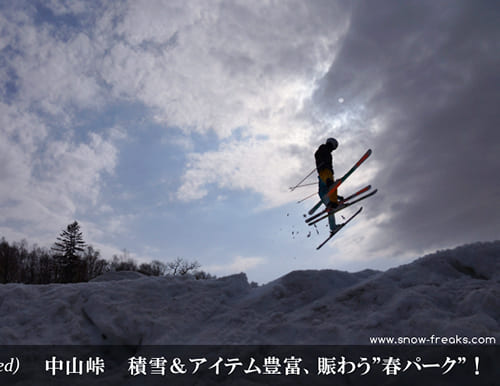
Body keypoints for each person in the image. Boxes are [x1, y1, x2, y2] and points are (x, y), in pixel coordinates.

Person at [314, 138, 343, 233]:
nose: (332, 150)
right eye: (333, 148)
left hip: (322, 180)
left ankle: (333, 227)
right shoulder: (324, 149)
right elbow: (320, 156)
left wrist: (337, 197)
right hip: (326, 173)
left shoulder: (322, 150)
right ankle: (334, 204)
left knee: (330, 207)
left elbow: (330, 191)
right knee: (331, 185)